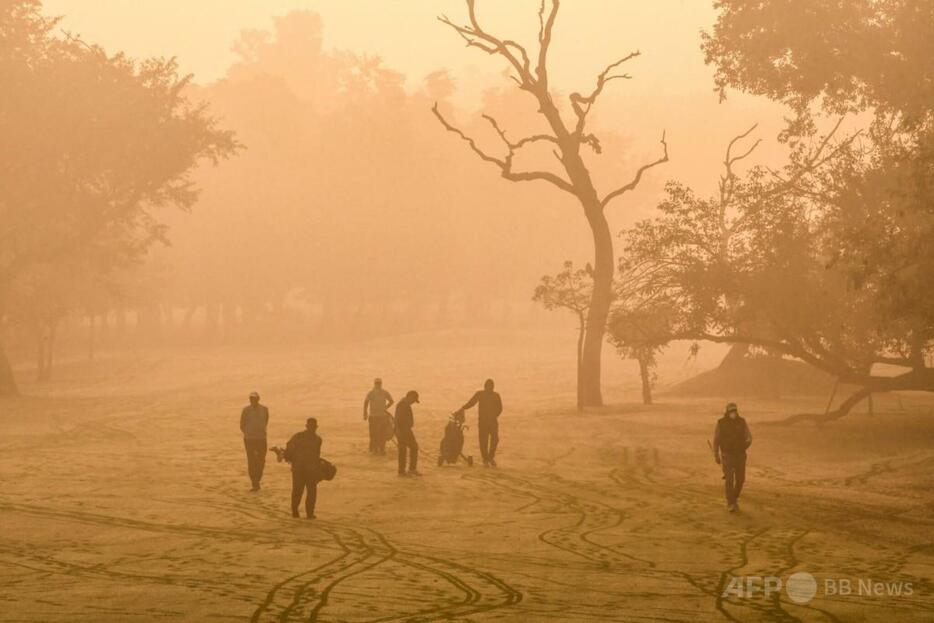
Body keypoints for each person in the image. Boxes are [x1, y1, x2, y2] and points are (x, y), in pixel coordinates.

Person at [712, 402, 753, 512]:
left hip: (740, 455)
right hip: (727, 455)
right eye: (731, 411)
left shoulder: (742, 422)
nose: (733, 413)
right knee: (729, 479)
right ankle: (731, 503)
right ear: (727, 412)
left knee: (740, 480)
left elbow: (749, 438)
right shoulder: (721, 423)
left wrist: (743, 446)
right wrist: (716, 455)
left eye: (734, 411)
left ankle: (734, 499)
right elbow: (716, 441)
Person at [284, 417, 323, 519]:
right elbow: (289, 447)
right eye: (311, 426)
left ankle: (309, 513)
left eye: (313, 427)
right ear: (307, 426)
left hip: (309, 469)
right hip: (299, 469)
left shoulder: (318, 440)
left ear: (316, 427)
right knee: (298, 490)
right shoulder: (300, 437)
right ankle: (295, 511)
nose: (312, 428)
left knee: (311, 492)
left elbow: (317, 455)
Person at [460, 379, 503, 467]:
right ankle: (486, 459)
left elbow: (500, 408)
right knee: (484, 441)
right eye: (488, 387)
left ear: (493, 387)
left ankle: (490, 457)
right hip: (484, 422)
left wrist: (494, 415)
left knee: (495, 439)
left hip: (492, 421)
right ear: (485, 387)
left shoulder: (496, 395)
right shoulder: (480, 394)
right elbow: (472, 403)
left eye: (491, 387)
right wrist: (463, 408)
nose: (489, 388)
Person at [240, 391, 269, 491]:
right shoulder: (246, 410)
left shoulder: (264, 409)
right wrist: (248, 433)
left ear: (258, 399)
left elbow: (266, 421)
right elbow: (242, 424)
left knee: (261, 459)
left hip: (261, 438)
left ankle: (258, 478)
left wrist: (259, 431)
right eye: (251, 398)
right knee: (251, 460)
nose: (253, 400)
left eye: (255, 398)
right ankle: (254, 482)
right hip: (249, 439)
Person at [363, 378, 394, 455]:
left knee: (382, 433)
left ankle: (381, 449)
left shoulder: (384, 392)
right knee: (373, 433)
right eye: (377, 383)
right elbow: (366, 402)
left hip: (382, 416)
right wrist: (365, 413)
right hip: (373, 416)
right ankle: (374, 449)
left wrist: (385, 408)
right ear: (374, 384)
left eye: (379, 383)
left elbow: (391, 401)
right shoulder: (371, 393)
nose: (378, 384)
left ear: (381, 384)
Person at [394, 390, 421, 477]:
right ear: (410, 396)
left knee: (407, 449)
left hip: (403, 430)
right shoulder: (403, 405)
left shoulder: (404, 403)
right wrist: (401, 431)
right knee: (410, 448)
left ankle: (405, 470)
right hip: (403, 430)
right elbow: (399, 419)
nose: (413, 402)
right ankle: (407, 470)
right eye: (414, 400)